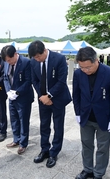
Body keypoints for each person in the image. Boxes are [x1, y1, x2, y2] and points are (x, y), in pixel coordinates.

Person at [72, 47, 110, 179]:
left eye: (88, 67)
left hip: (104, 117)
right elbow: (76, 95)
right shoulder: (78, 74)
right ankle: (87, 169)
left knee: (102, 148)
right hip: (86, 116)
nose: (85, 70)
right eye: (82, 67)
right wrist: (77, 112)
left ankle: (98, 173)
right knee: (86, 144)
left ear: (96, 61)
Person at [29, 40, 72, 168]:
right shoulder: (33, 62)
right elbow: (34, 80)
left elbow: (61, 81)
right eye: (34, 58)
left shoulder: (59, 59)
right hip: (43, 100)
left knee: (58, 126)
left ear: (44, 51)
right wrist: (42, 97)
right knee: (44, 125)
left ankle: (54, 152)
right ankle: (44, 149)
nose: (37, 60)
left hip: (57, 99)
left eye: (38, 57)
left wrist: (49, 95)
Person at [1, 45, 34, 155]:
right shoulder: (6, 62)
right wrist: (8, 91)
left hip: (23, 97)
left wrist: (17, 92)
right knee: (14, 119)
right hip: (11, 96)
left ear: (15, 54)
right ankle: (16, 139)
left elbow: (29, 81)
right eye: (7, 61)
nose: (9, 62)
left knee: (23, 120)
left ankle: (23, 143)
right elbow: (5, 77)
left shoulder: (26, 62)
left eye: (10, 60)